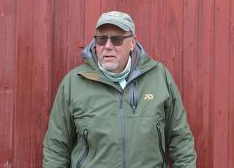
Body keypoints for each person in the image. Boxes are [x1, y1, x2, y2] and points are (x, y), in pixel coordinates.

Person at [43, 11, 197, 168]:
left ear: (132, 43)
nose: (108, 46)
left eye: (116, 39)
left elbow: (181, 141)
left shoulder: (159, 77)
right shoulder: (74, 82)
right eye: (102, 39)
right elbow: (56, 148)